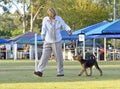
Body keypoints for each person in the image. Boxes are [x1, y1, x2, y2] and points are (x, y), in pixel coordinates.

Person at [34, 8, 72, 77]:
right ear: (48, 15)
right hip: (48, 40)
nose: (53, 17)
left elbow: (64, 25)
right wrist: (42, 34)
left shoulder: (59, 19)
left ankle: (60, 72)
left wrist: (69, 29)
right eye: (51, 16)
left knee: (58, 57)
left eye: (54, 16)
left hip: (57, 40)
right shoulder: (45, 19)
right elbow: (44, 27)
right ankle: (39, 71)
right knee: (44, 56)